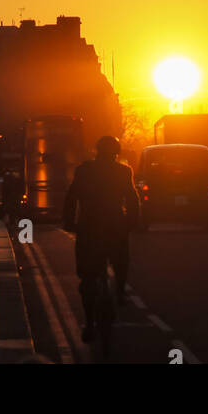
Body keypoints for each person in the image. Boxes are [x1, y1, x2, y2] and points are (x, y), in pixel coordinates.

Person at [62, 135, 140, 343]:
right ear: (116, 152)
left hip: (89, 227)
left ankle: (89, 324)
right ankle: (120, 291)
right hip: (115, 226)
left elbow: (71, 197)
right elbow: (132, 199)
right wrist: (133, 222)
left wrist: (69, 222)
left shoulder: (84, 170)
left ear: (96, 151)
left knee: (88, 278)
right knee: (121, 260)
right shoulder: (123, 171)